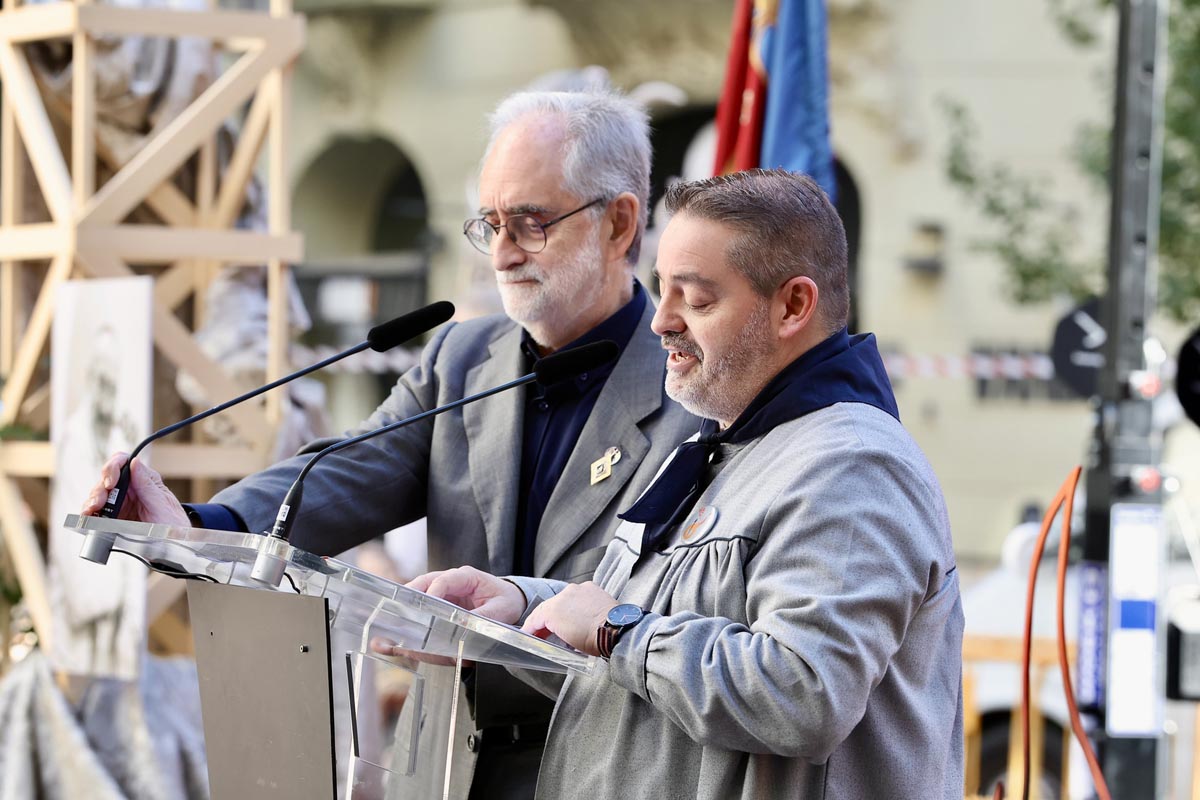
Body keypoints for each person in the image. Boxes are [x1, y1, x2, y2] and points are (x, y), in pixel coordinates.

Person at [81, 90, 699, 799]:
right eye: (489, 223)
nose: (502, 254)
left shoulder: (693, 393)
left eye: (529, 224)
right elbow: (344, 470)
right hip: (443, 766)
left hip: (603, 770)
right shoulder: (462, 358)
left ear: (619, 224)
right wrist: (199, 526)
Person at [409, 168, 965, 800]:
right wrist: (520, 608)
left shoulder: (855, 466)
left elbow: (804, 692)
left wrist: (617, 630)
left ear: (794, 306)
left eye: (696, 300)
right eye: (661, 290)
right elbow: (644, 640)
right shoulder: (721, 445)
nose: (660, 322)